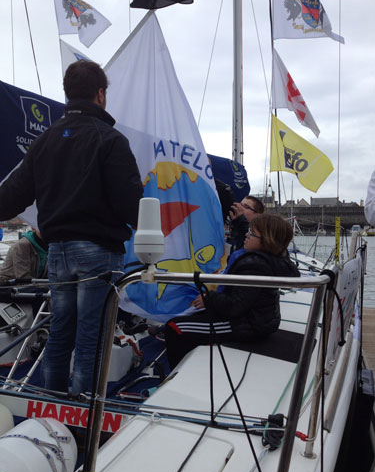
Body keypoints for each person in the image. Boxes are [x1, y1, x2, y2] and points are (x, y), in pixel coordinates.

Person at [0, 60, 143, 395]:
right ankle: (81, 416)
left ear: (68, 94)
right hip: (99, 252)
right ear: (101, 95)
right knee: (91, 336)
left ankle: (51, 403)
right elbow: (131, 204)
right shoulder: (110, 140)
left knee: (62, 330)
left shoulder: (45, 140)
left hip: (58, 252)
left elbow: (11, 197)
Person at [165, 213, 300, 369]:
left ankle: (176, 375)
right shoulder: (266, 260)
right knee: (193, 317)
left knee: (175, 327)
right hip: (257, 320)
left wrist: (209, 299)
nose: (246, 235)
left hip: (246, 325)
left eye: (252, 233)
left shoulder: (255, 266)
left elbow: (236, 306)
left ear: (267, 241)